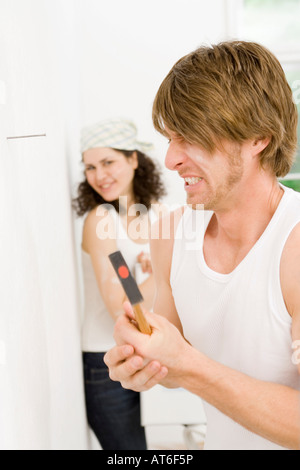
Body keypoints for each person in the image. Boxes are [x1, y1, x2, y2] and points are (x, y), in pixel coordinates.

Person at [104, 42, 300, 450]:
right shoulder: (171, 235)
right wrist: (144, 359)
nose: (171, 159)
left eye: (190, 135)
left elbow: (191, 366)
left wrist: (187, 366)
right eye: (171, 138)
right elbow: (177, 365)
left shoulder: (293, 246)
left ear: (258, 138)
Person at [73, 118, 166, 450]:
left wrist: (157, 270)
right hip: (107, 360)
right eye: (90, 167)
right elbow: (122, 302)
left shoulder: (157, 213)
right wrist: (161, 269)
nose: (100, 175)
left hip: (153, 350)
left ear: (133, 159)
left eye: (108, 162)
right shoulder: (100, 221)